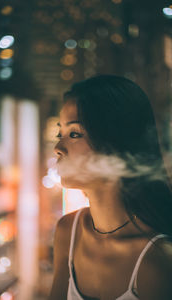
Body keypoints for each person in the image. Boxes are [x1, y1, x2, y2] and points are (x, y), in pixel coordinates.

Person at [48, 75, 172, 300]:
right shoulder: (68, 232)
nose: (58, 147)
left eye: (74, 134)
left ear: (115, 144)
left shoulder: (157, 262)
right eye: (60, 134)